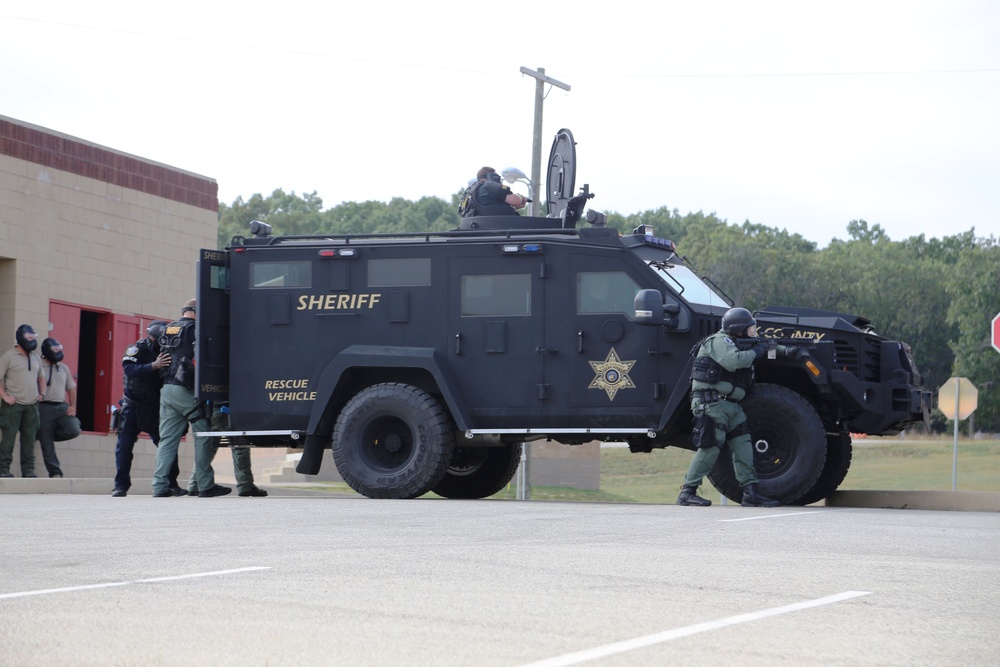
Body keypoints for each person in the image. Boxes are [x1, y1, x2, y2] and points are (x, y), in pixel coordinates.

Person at [677, 307, 802, 508]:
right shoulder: (719, 342)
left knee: (743, 446)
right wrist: (756, 351)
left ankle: (751, 493)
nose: (754, 333)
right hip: (712, 404)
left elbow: (765, 346)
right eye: (751, 329)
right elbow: (734, 361)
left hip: (731, 406)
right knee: (709, 447)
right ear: (738, 329)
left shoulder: (737, 342)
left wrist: (786, 351)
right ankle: (687, 492)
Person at [152, 299, 230, 498]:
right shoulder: (195, 330)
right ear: (197, 312)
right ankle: (205, 485)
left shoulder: (169, 328)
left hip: (167, 389)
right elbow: (203, 359)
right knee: (203, 433)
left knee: (167, 440)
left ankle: (159, 486)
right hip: (184, 391)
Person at [111, 321, 185, 497]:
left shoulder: (167, 350)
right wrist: (154, 366)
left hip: (153, 407)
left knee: (166, 444)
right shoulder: (137, 349)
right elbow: (129, 369)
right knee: (124, 448)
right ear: (151, 336)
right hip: (131, 405)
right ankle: (120, 486)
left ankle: (172, 484)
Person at [187, 404, 268, 497]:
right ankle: (245, 486)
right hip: (230, 410)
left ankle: (195, 484)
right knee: (240, 447)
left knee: (206, 449)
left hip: (211, 410)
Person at [0, 324, 46, 478]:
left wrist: (42, 394)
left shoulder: (35, 357)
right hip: (13, 405)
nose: (33, 341)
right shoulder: (8, 356)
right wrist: (5, 396)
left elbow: (41, 377)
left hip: (32, 405)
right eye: (30, 338)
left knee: (29, 439)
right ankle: (3, 470)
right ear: (21, 338)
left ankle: (28, 471)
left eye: (34, 338)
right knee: (8, 438)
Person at [36, 338, 78, 478]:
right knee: (47, 443)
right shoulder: (38, 365)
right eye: (55, 350)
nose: (58, 352)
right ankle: (55, 472)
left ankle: (44, 435)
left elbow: (71, 389)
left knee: (74, 429)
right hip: (43, 406)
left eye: (59, 349)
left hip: (61, 406)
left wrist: (72, 406)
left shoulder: (63, 367)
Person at [458, 166, 528, 218]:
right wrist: (521, 197)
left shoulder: (471, 192)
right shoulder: (490, 185)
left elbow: (488, 210)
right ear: (492, 176)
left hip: (480, 229)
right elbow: (517, 201)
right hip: (502, 228)